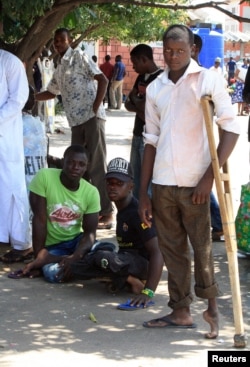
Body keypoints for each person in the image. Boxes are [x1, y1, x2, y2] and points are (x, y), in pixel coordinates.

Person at [139, 24, 240, 338]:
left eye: (180, 50)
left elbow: (231, 128)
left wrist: (209, 176)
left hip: (196, 182)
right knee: (173, 251)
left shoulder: (208, 80)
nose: (173, 56)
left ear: (192, 49)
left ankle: (211, 308)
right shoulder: (156, 88)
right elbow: (151, 141)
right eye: (168, 51)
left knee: (202, 249)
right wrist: (143, 192)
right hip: (164, 182)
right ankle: (180, 311)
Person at [35, 28, 113, 229]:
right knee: (77, 167)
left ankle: (107, 213)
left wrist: (96, 107)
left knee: (95, 165)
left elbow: (102, 79)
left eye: (62, 40)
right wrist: (30, 97)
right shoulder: (59, 66)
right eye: (56, 40)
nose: (58, 43)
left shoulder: (78, 56)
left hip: (91, 119)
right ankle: (84, 211)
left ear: (70, 41)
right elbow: (51, 93)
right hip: (75, 122)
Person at [72, 157, 163, 307]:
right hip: (123, 259)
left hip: (140, 264)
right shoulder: (121, 209)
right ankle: (120, 278)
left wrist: (149, 292)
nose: (113, 187)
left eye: (119, 184)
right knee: (77, 266)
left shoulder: (137, 212)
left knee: (103, 257)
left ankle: (132, 280)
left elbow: (157, 251)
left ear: (131, 186)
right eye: (110, 183)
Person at [8, 145, 101, 282]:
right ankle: (92, 267)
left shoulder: (91, 192)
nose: (76, 167)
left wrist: (74, 257)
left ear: (86, 167)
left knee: (105, 248)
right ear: (63, 162)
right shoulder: (44, 177)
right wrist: (38, 258)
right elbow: (39, 220)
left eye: (81, 164)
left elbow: (90, 233)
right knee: (52, 273)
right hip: (52, 247)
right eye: (71, 162)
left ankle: (68, 262)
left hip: (76, 242)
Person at [0, 49, 32, 264]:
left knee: (12, 186)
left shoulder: (8, 62)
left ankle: (22, 244)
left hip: (5, 135)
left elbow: (19, 99)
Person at [192, 35, 224, 242]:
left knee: (202, 185)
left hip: (199, 142)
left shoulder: (205, 78)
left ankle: (219, 223)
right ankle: (218, 223)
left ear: (193, 49)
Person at [125, 44, 163, 199]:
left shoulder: (160, 79)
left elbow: (152, 111)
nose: (133, 67)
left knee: (147, 180)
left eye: (135, 63)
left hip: (150, 137)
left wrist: (139, 103)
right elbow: (128, 103)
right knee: (134, 177)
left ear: (144, 59)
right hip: (137, 133)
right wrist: (140, 106)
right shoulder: (141, 78)